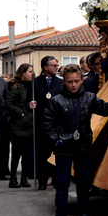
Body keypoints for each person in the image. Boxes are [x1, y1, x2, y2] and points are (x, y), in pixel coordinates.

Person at [44, 64, 108, 216]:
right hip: (63, 148)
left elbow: (106, 109)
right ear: (64, 82)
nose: (73, 85)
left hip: (83, 146)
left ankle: (84, 212)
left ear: (82, 80)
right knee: (62, 183)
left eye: (76, 81)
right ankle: (61, 215)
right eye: (70, 82)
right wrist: (56, 141)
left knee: (83, 182)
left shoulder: (90, 98)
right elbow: (47, 124)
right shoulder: (56, 101)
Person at [32, 56, 62, 190]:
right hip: (41, 124)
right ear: (45, 67)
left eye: (57, 65)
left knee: (57, 152)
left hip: (57, 123)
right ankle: (42, 180)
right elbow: (27, 99)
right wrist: (30, 104)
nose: (57, 67)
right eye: (54, 65)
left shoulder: (60, 82)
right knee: (41, 154)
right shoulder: (34, 83)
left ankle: (56, 178)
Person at [4, 64, 36, 189]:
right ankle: (13, 179)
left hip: (28, 124)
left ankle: (24, 178)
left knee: (27, 154)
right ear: (23, 73)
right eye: (30, 72)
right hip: (18, 125)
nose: (32, 74)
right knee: (17, 153)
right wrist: (20, 112)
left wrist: (30, 106)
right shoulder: (16, 86)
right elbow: (8, 103)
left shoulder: (30, 86)